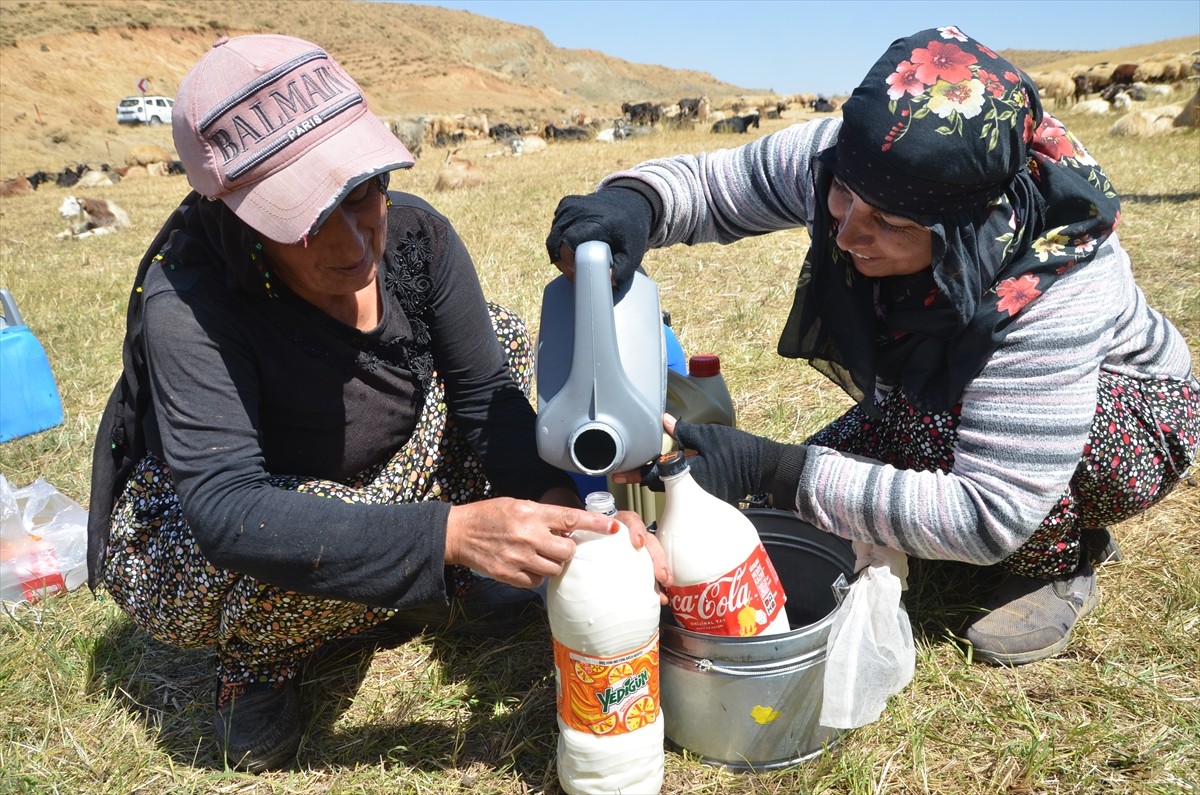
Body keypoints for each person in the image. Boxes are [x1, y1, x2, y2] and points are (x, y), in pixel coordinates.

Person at [85, 34, 667, 773]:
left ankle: (416, 585)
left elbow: (486, 398)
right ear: (238, 215)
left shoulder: (419, 239)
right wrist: (447, 536)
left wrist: (576, 519)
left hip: (381, 467)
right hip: (228, 525)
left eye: (363, 194)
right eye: (308, 217)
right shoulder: (192, 300)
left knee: (509, 340)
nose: (354, 240)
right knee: (263, 552)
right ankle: (263, 657)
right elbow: (229, 509)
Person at [545, 27, 1198, 668]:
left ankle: (1062, 559)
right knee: (781, 515)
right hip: (929, 401)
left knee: (853, 466)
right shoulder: (865, 159)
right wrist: (631, 204)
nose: (850, 232)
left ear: (966, 229)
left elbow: (989, 510)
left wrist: (774, 467)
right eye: (841, 198)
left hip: (1128, 425)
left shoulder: (1057, 275)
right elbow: (715, 187)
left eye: (890, 223)